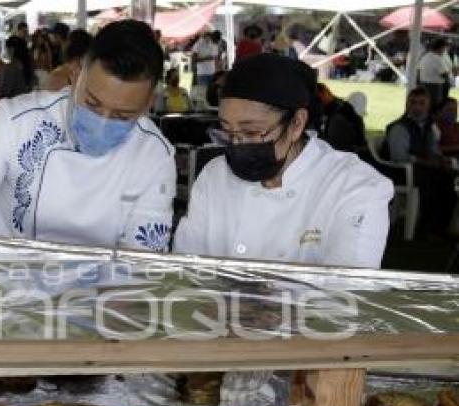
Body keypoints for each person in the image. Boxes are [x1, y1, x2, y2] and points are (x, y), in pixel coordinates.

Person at [0, 20, 176, 252]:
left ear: (147, 105)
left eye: (122, 116)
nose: (103, 122)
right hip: (2, 289)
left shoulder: (154, 157)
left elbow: (143, 261)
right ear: (75, 76)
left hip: (99, 299)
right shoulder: (17, 122)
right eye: (92, 103)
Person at [174, 52, 392, 268]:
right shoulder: (215, 176)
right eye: (228, 132)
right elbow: (186, 269)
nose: (238, 144)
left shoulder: (354, 187)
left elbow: (346, 292)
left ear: (297, 123)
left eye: (251, 132)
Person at [385, 87, 458, 238]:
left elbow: (433, 150)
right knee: (436, 179)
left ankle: (440, 225)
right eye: (413, 103)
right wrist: (428, 163)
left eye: (421, 103)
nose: (417, 107)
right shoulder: (400, 128)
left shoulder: (428, 127)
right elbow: (399, 157)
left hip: (420, 169)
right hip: (401, 173)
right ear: (407, 105)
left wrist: (441, 160)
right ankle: (429, 225)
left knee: (448, 175)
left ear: (428, 106)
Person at [315, 83, 366, 153]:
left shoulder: (338, 112)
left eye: (317, 99)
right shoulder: (337, 106)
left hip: (350, 150)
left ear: (324, 94)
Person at [418, 38, 451, 111]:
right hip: (435, 87)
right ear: (441, 47)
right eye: (444, 49)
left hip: (423, 84)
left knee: (426, 106)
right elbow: (444, 74)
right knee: (435, 107)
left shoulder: (425, 56)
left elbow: (419, 70)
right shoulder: (437, 59)